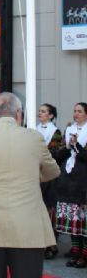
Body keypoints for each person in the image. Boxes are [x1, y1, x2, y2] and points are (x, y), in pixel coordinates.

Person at [0, 92, 60, 278]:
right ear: (19, 114)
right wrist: (28, 176)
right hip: (27, 225)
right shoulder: (35, 138)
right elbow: (53, 172)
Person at [54, 102, 87, 268]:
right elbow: (61, 156)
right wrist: (68, 147)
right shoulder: (69, 130)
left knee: (83, 220)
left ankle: (85, 254)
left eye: (79, 111)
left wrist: (77, 145)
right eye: (74, 111)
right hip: (69, 179)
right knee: (73, 220)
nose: (76, 114)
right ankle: (75, 251)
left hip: (83, 180)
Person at [36, 102, 62, 260]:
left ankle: (51, 244)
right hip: (34, 173)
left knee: (49, 209)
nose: (40, 114)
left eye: (43, 111)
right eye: (39, 111)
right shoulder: (32, 128)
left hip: (49, 175)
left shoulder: (56, 131)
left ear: (51, 115)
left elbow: (55, 153)